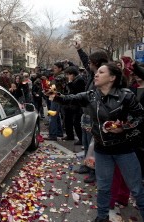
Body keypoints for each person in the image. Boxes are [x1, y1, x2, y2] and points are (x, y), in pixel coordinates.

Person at [48, 62, 144, 222]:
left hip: (124, 149)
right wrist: (55, 95)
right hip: (102, 150)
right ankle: (101, 217)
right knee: (104, 188)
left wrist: (125, 127)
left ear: (112, 77)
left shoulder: (126, 95)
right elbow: (69, 99)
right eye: (96, 72)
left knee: (136, 189)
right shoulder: (91, 95)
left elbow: (141, 116)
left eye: (101, 72)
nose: (96, 74)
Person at [73, 42, 109, 183]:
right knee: (87, 142)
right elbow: (85, 61)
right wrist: (79, 49)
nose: (88, 64)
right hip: (87, 114)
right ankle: (87, 166)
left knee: (94, 146)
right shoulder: (93, 74)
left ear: (97, 63)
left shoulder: (104, 76)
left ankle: (94, 171)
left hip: (96, 116)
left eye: (90, 62)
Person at [62, 66, 85, 145]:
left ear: (72, 74)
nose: (67, 76)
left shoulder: (80, 80)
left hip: (77, 104)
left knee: (76, 122)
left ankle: (81, 139)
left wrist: (70, 82)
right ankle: (70, 135)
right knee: (67, 120)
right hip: (70, 104)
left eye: (68, 74)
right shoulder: (74, 80)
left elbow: (76, 92)